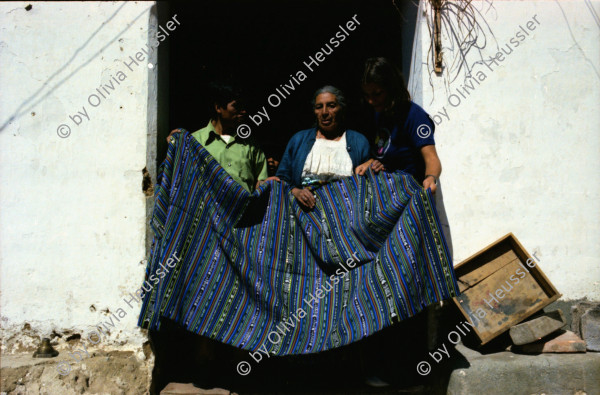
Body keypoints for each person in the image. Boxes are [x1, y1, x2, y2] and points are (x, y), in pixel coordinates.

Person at [355, 57, 442, 194]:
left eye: (377, 94)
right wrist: (371, 162)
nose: (371, 101)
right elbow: (385, 153)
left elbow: (431, 158)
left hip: (410, 194)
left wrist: (430, 178)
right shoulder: (380, 114)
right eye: (367, 95)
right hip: (388, 193)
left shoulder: (414, 116)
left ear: (391, 88)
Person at [276, 85, 370, 209]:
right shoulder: (298, 140)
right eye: (319, 107)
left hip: (347, 214)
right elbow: (281, 180)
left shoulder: (358, 141)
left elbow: (369, 183)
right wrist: (296, 191)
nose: (324, 112)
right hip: (304, 214)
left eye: (331, 106)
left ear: (341, 109)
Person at [166, 81, 270, 192]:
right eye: (236, 106)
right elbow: (180, 177)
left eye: (244, 106)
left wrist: (266, 185)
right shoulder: (195, 142)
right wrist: (174, 148)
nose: (243, 111)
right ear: (218, 108)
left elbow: (260, 183)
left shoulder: (252, 146)